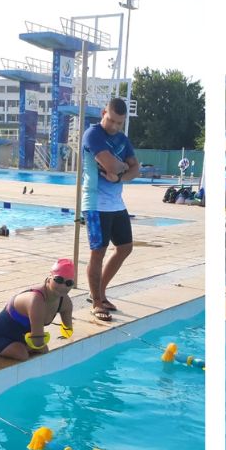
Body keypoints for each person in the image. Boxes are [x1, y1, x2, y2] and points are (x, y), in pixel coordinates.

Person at [81, 97, 140, 322]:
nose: (114, 127)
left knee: (125, 247)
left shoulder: (122, 139)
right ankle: (97, 302)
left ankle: (99, 293)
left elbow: (137, 171)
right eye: (111, 120)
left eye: (119, 123)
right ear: (104, 112)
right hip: (95, 204)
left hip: (116, 202)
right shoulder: (93, 134)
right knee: (99, 251)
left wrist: (118, 179)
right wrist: (124, 167)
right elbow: (113, 165)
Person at [0, 259, 75, 360]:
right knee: (23, 355)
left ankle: (24, 346)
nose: (63, 286)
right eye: (59, 280)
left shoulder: (65, 302)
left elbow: (68, 330)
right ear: (49, 278)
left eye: (69, 283)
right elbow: (37, 341)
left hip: (24, 336)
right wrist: (38, 345)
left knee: (42, 351)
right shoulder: (36, 300)